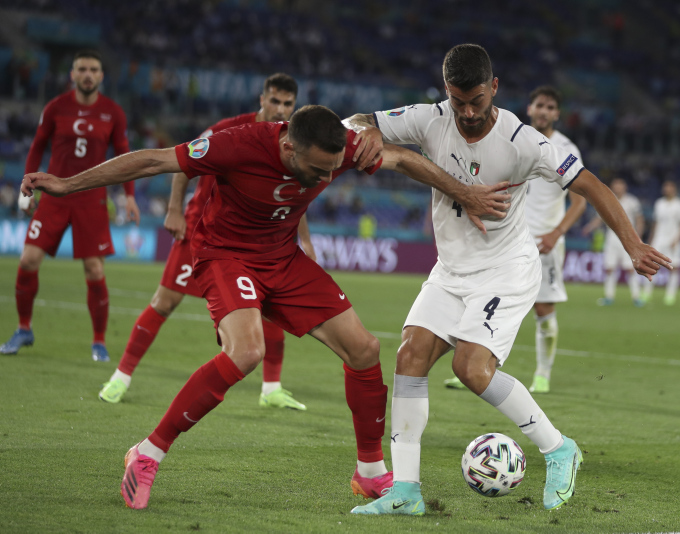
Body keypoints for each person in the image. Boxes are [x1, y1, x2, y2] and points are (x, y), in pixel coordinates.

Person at [21, 104, 511, 510]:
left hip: (282, 257)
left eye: (332, 168)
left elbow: (401, 159)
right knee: (246, 352)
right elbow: (152, 161)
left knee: (364, 349)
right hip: (224, 254)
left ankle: (370, 472)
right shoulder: (236, 145)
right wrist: (66, 184)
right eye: (318, 170)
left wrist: (464, 193)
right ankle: (147, 453)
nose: (326, 177)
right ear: (288, 148)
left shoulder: (338, 148)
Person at [345, 44, 670, 515]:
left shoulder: (523, 141)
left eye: (477, 100)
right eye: (458, 101)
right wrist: (363, 131)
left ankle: (559, 448)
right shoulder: (429, 119)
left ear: (494, 87)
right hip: (451, 270)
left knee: (471, 368)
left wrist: (633, 244)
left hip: (506, 269)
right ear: (446, 91)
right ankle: (406, 492)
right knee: (409, 357)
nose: (468, 112)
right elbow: (357, 121)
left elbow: (590, 185)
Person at [99, 73, 312, 410]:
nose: (281, 109)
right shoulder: (229, 129)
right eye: (275, 100)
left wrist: (305, 242)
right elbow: (183, 164)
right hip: (203, 232)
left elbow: (292, 197)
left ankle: (271, 389)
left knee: (270, 311)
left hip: (254, 242)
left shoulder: (292, 143)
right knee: (164, 302)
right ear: (262, 99)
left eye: (288, 103)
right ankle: (120, 378)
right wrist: (175, 211)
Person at [442, 85, 586, 394]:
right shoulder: (512, 138)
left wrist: (556, 233)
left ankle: (543, 374)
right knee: (480, 302)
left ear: (557, 114)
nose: (544, 111)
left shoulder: (566, 148)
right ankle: (473, 368)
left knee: (543, 309)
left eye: (550, 107)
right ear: (530, 108)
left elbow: (580, 201)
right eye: (540, 105)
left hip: (545, 242)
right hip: (505, 240)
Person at [0, 50, 139, 361]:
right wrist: (27, 187)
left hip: (92, 199)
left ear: (101, 75)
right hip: (54, 196)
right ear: (72, 74)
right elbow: (37, 146)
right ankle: (23, 328)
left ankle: (99, 342)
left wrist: (129, 195)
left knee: (94, 269)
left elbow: (124, 154)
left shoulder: (113, 112)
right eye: (82, 69)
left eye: (93, 69)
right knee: (28, 260)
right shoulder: (55, 107)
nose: (88, 74)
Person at [583, 178, 645, 307]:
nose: (618, 188)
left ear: (625, 187)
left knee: (630, 269)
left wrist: (638, 237)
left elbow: (639, 219)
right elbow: (599, 218)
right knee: (609, 268)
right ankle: (609, 296)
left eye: (620, 185)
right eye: (616, 186)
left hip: (628, 238)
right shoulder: (607, 200)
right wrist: (589, 227)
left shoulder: (632, 201)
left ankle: (636, 297)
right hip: (612, 238)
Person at [642, 180, 680, 305]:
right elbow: (655, 223)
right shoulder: (659, 203)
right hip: (659, 239)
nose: (667, 189)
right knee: (651, 265)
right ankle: (646, 293)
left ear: (674, 189)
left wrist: (677, 240)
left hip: (673, 240)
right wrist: (651, 240)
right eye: (665, 187)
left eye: (669, 187)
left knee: (674, 268)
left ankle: (670, 296)